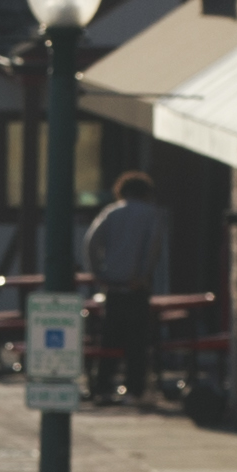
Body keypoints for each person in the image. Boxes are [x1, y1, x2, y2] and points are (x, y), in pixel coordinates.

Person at [81, 168, 169, 405]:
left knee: (109, 338)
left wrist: (98, 271)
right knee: (137, 342)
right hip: (136, 287)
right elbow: (152, 247)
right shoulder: (152, 214)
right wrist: (143, 274)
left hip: (112, 286)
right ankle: (134, 390)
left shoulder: (111, 213)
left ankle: (103, 387)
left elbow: (91, 241)